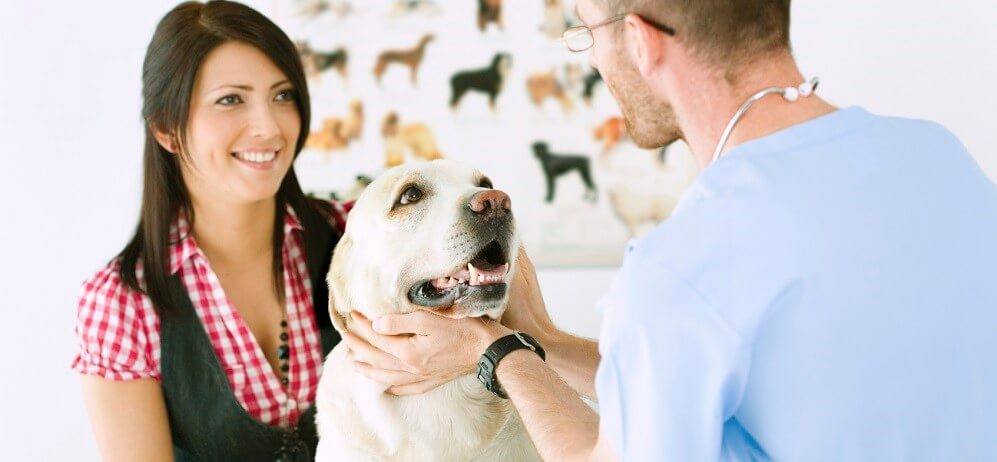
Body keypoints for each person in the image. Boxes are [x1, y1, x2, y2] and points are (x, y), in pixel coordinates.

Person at [345, 0, 997, 460]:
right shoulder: (937, 156)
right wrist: (539, 338)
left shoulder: (683, 262)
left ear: (639, 39)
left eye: (586, 34)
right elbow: (712, 376)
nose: (594, 62)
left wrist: (498, 354)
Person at [71, 2, 350, 460]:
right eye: (230, 99)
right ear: (166, 128)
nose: (269, 126)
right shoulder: (123, 305)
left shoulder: (354, 233)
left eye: (283, 95)